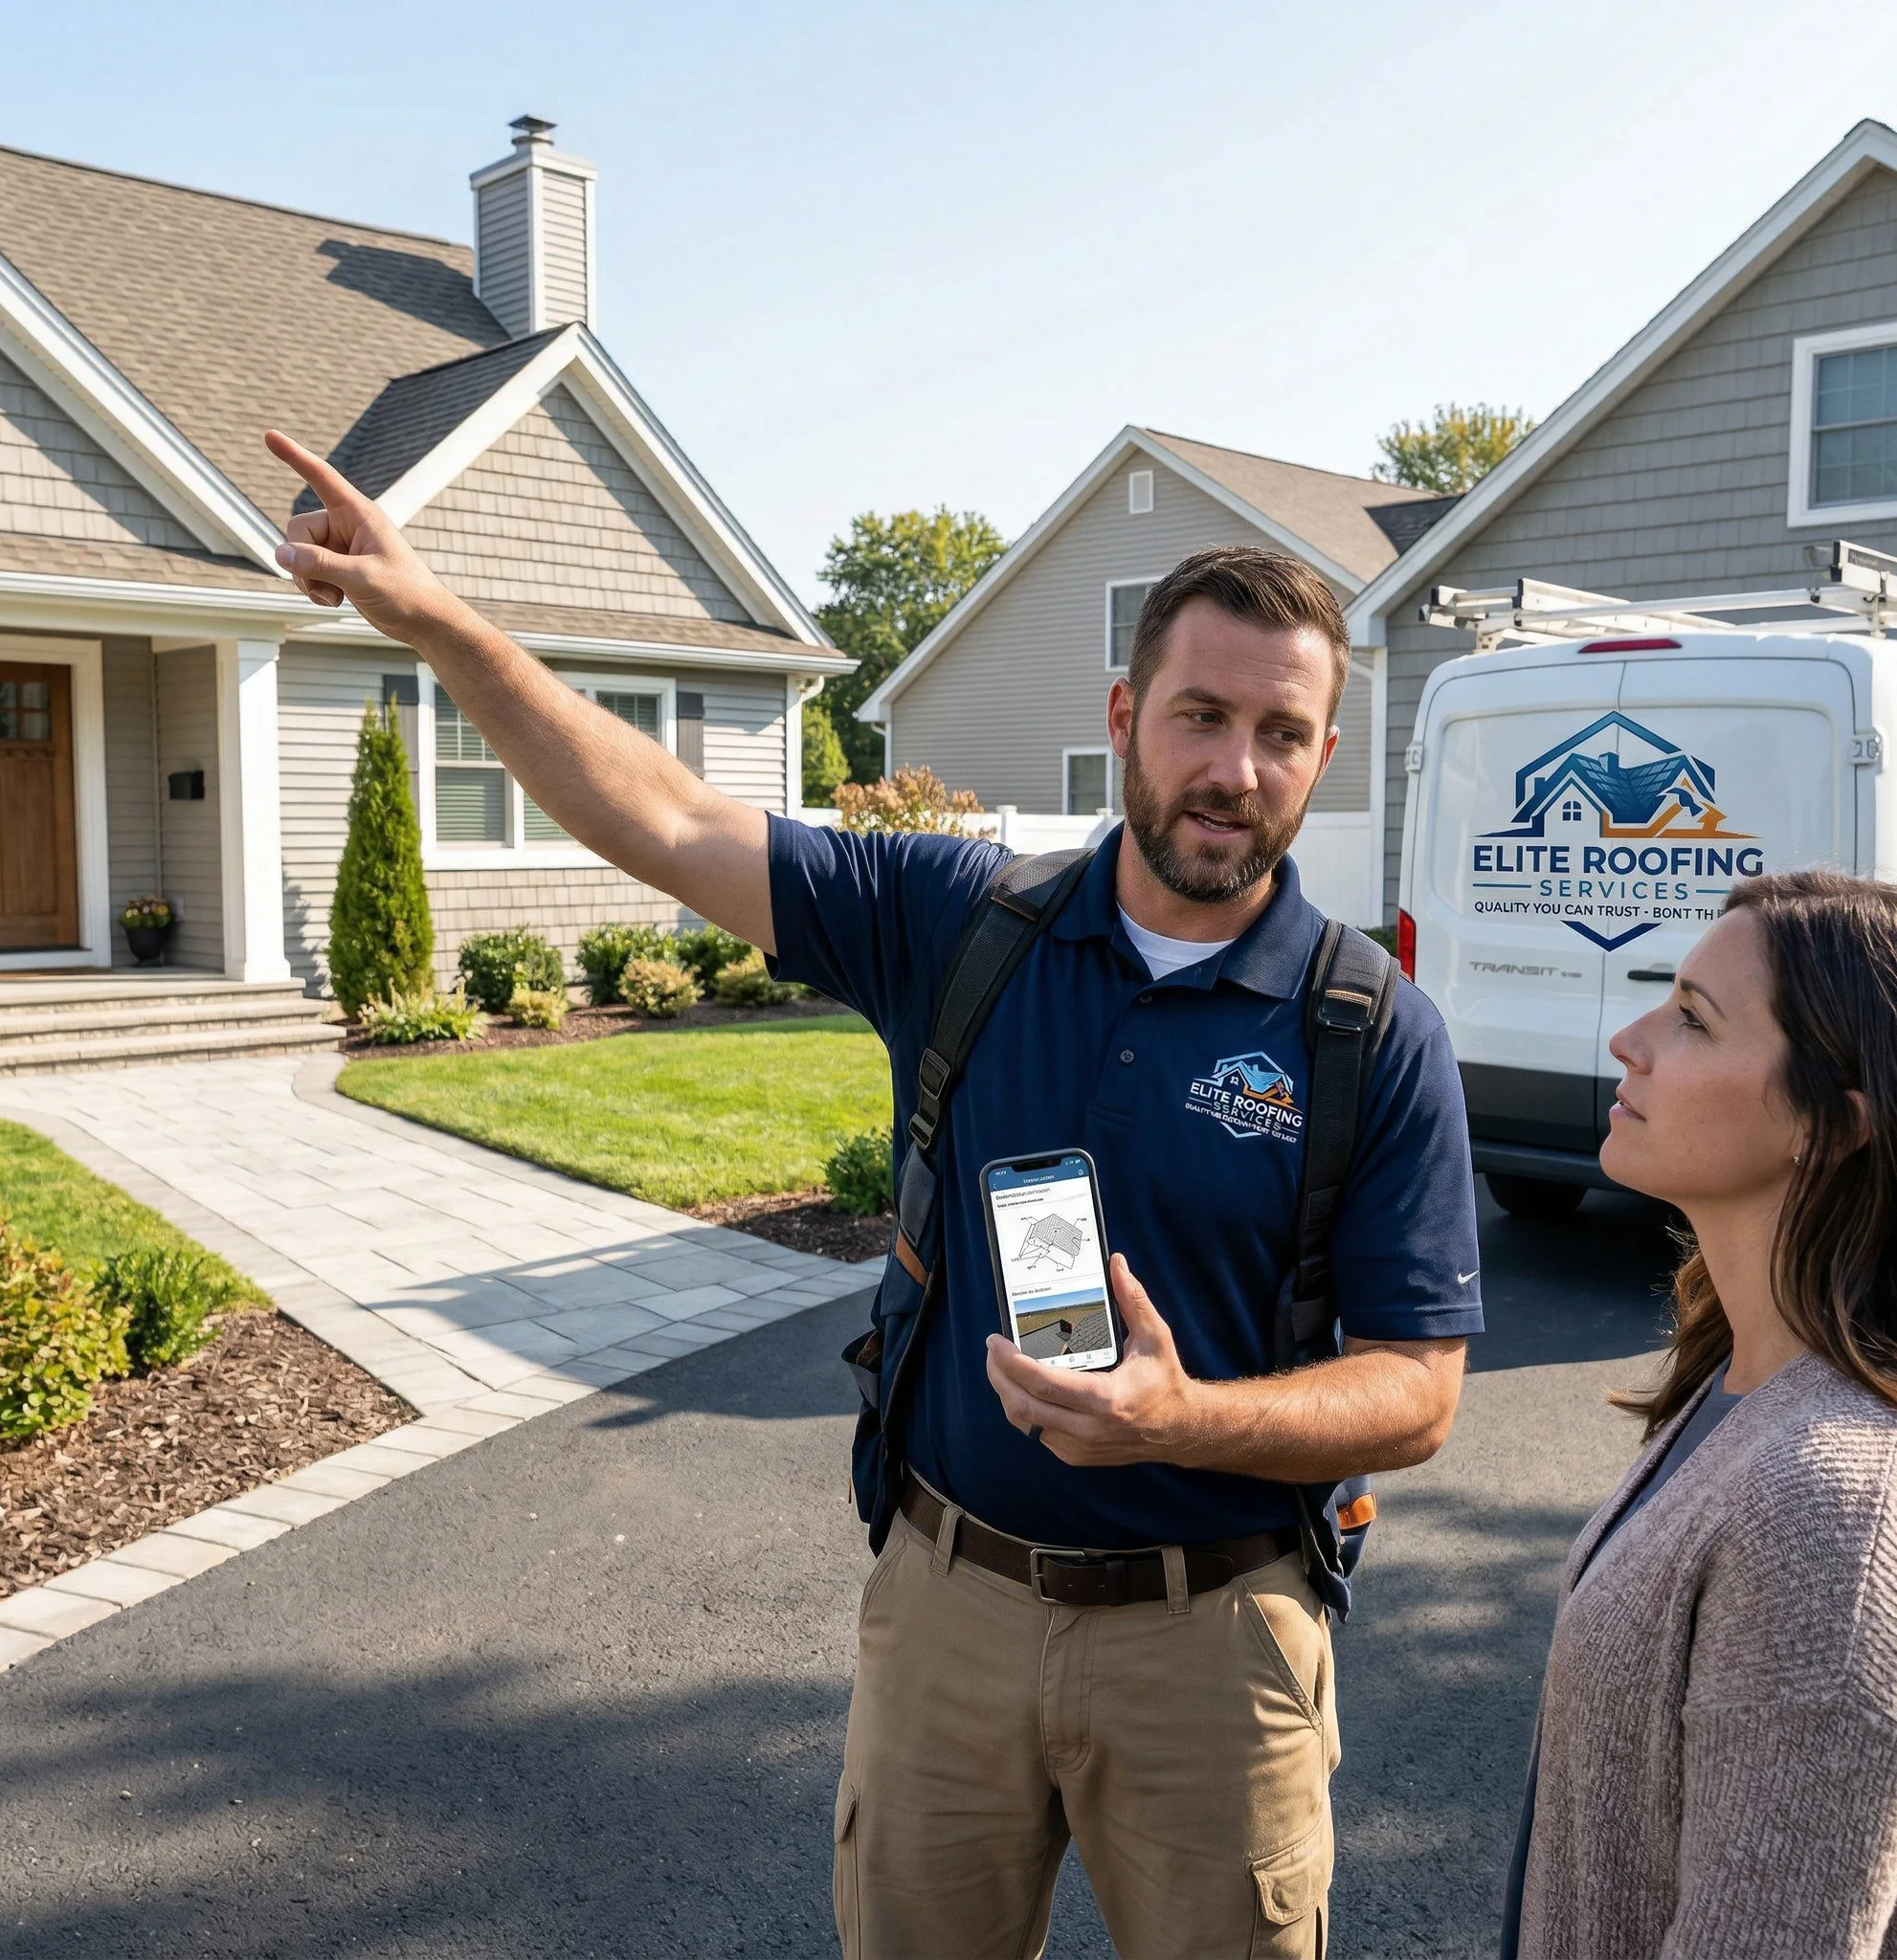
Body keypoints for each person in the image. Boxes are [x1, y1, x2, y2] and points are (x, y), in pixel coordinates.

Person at [264, 430, 1484, 1960]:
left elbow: (1416, 1395)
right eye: (1199, 715)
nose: (1234, 769)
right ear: (1125, 717)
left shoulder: (1367, 1028)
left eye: (1281, 732)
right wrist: (443, 621)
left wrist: (1191, 1422)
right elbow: (668, 815)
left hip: (1218, 1641)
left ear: (1323, 753)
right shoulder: (960, 920)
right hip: (948, 1610)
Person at [1506, 872, 1897, 1959]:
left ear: (1829, 1123)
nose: (1629, 1038)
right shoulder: (1737, 1371)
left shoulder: (1825, 1509)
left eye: (1689, 1017)